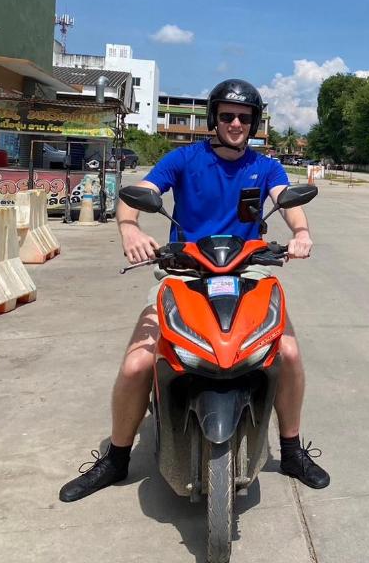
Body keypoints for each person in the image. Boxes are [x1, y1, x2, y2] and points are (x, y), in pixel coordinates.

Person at [59, 79, 329, 502]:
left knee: (289, 353)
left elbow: (288, 201)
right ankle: (115, 457)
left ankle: (292, 450)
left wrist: (302, 233)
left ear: (254, 123)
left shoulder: (265, 167)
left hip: (250, 270)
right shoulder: (183, 159)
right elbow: (140, 194)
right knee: (137, 363)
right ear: (213, 119)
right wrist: (129, 228)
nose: (236, 124)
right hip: (183, 270)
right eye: (227, 116)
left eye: (244, 117)